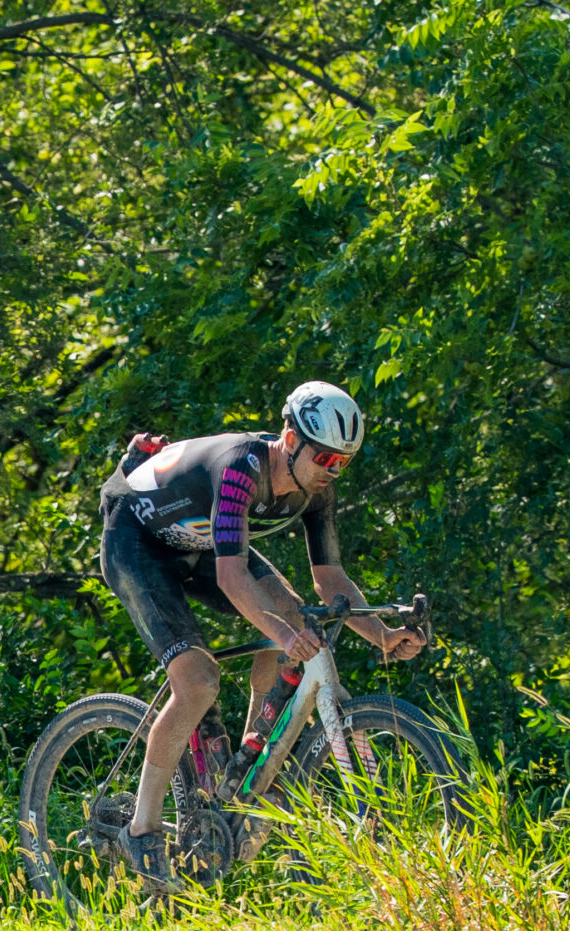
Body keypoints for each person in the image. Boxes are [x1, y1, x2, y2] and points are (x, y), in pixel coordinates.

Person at [96, 380, 426, 891]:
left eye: (342, 463)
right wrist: (284, 634)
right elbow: (232, 578)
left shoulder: (317, 488)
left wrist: (380, 635)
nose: (331, 470)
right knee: (198, 681)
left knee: (296, 618)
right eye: (324, 458)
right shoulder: (241, 468)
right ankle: (141, 830)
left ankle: (248, 773)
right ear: (290, 439)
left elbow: (330, 579)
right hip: (136, 542)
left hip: (197, 541)